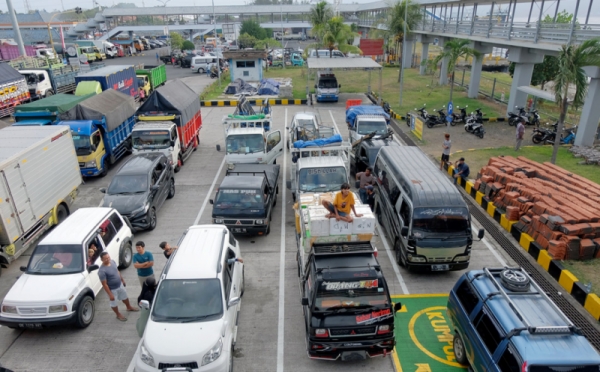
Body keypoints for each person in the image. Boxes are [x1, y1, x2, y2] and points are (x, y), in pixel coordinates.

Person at [98, 252, 138, 321]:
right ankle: (118, 314)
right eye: (105, 259)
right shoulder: (102, 271)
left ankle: (128, 307)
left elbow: (117, 271)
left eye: (108, 257)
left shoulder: (112, 262)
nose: (108, 259)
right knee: (114, 302)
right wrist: (110, 294)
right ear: (101, 260)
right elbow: (104, 284)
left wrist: (122, 279)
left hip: (120, 285)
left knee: (125, 297)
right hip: (112, 290)